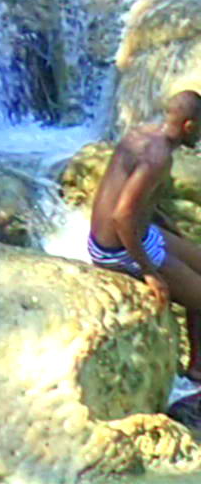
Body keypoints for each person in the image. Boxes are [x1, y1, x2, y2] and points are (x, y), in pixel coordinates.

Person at [88, 89, 201, 379]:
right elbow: (122, 214)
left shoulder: (142, 134)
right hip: (118, 248)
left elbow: (139, 202)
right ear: (189, 125)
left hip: (138, 232)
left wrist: (167, 226)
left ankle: (197, 364)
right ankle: (197, 371)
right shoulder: (158, 157)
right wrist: (149, 272)